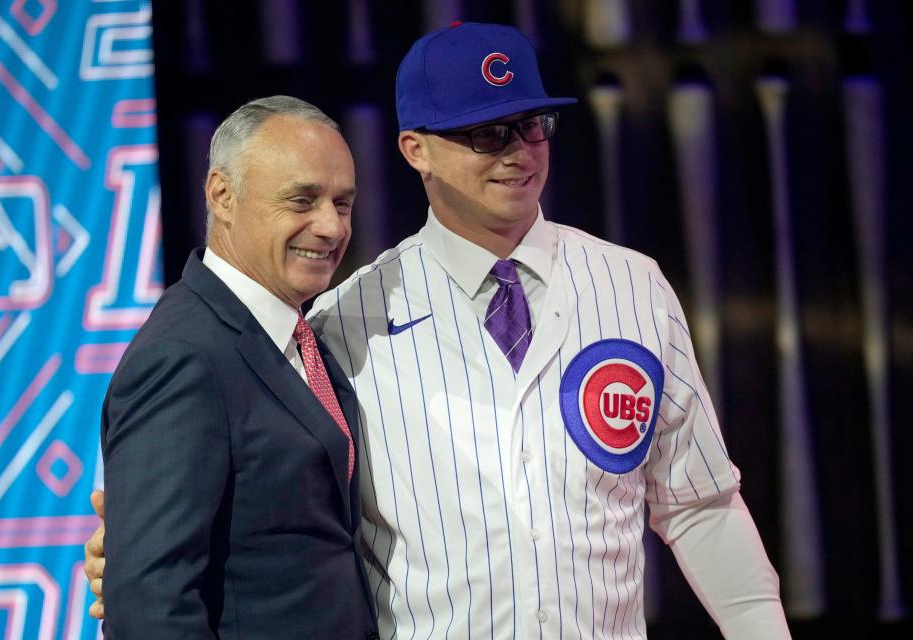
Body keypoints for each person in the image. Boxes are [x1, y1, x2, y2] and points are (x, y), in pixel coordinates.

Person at [88, 23, 790, 639]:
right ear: (416, 149)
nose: (518, 151)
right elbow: (278, 523)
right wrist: (130, 562)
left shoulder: (634, 287)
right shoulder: (340, 325)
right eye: (488, 131)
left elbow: (698, 501)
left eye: (533, 124)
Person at [96, 95, 377, 638]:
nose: (330, 227)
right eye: (302, 200)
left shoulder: (302, 333)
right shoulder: (182, 357)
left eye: (342, 204)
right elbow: (149, 604)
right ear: (222, 195)